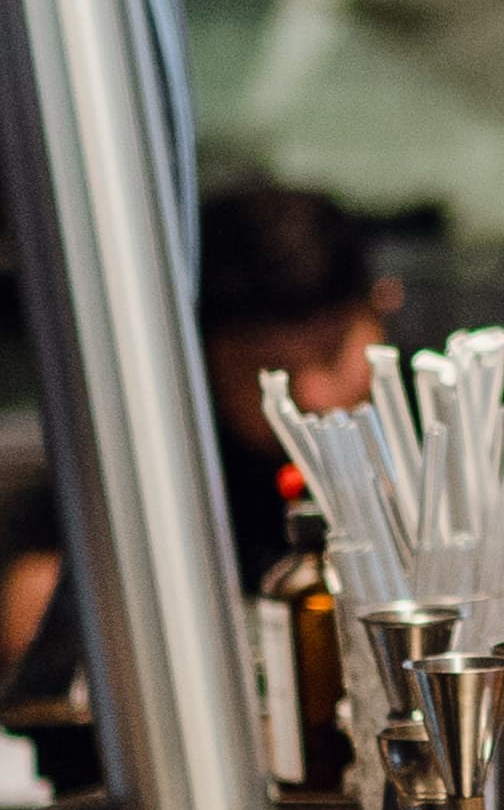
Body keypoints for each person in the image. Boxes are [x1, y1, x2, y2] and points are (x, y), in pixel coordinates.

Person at [0, 178, 383, 692]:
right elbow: (34, 601)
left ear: (382, 308)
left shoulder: (446, 433)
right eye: (266, 368)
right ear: (200, 356)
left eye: (333, 354)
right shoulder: (159, 460)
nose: (309, 396)